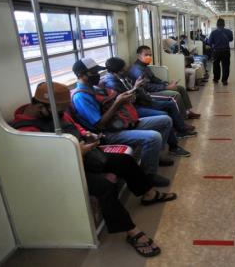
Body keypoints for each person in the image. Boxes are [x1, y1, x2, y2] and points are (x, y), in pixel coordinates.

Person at [11, 82, 177, 257]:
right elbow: (44, 162)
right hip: (65, 170)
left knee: (125, 161)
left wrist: (86, 135)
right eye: (59, 112)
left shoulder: (53, 113)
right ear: (39, 107)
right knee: (105, 186)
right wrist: (75, 151)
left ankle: (148, 193)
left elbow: (74, 125)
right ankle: (131, 232)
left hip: (85, 156)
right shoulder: (25, 130)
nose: (62, 115)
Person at [70, 57, 171, 186]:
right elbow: (99, 124)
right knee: (153, 137)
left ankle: (155, 157)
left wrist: (126, 95)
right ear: (81, 75)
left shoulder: (94, 88)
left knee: (165, 120)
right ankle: (148, 175)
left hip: (120, 122)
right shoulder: (81, 96)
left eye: (97, 72)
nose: (97, 75)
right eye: (93, 72)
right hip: (107, 133)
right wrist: (118, 102)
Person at [103, 58, 196, 157]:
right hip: (133, 108)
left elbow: (133, 93)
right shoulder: (112, 82)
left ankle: (181, 131)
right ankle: (170, 147)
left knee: (170, 105)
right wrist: (136, 87)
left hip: (141, 101)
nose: (127, 70)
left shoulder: (122, 77)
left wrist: (136, 87)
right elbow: (129, 99)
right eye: (124, 68)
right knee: (165, 115)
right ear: (118, 71)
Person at [129, 45, 200, 119]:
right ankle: (182, 118)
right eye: (146, 55)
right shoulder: (137, 70)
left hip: (153, 88)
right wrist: (166, 87)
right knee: (175, 95)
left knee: (181, 88)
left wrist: (166, 83)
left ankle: (187, 111)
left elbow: (154, 79)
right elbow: (147, 87)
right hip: (147, 93)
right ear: (138, 56)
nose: (149, 57)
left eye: (150, 55)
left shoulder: (144, 66)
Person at [209, 18, 233, 86]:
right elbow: (231, 39)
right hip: (226, 51)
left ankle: (216, 79)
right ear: (224, 24)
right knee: (226, 65)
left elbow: (210, 42)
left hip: (216, 51)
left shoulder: (213, 32)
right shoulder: (229, 31)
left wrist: (215, 43)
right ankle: (224, 80)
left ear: (217, 24)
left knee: (216, 65)